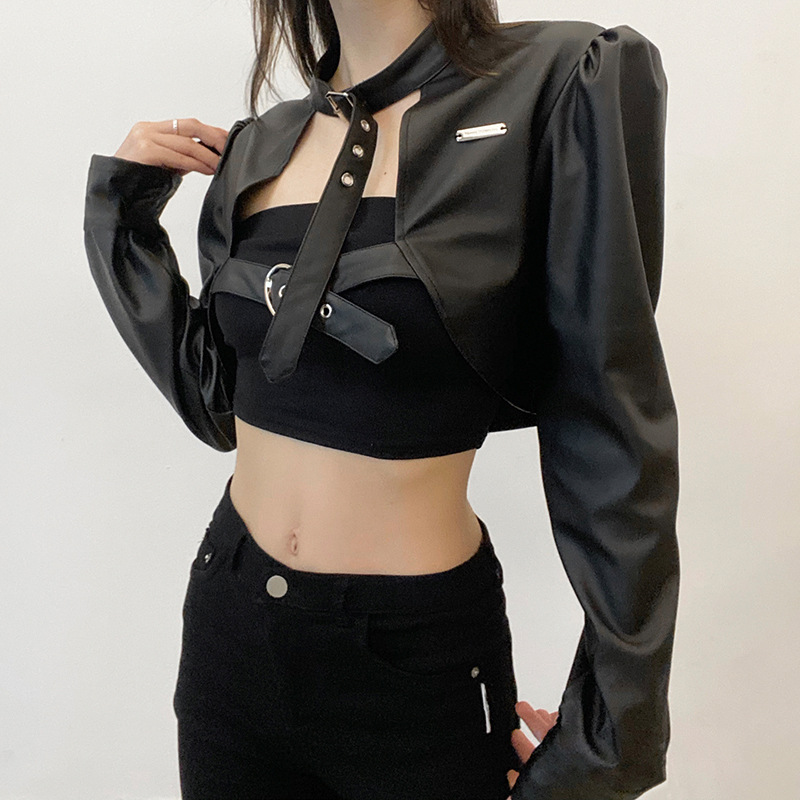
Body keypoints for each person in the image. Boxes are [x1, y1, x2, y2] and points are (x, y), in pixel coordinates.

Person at [83, 1, 680, 799]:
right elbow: (219, 402)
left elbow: (612, 423)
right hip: (229, 627)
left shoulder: (560, 81)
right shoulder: (260, 144)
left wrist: (608, 743)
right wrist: (121, 219)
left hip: (414, 660)